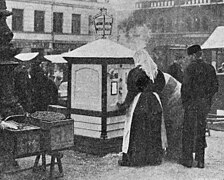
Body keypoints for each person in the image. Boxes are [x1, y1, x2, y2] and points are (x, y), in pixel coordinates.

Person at [117, 49, 166, 166]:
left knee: (138, 131)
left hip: (140, 103)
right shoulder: (157, 72)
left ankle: (137, 159)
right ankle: (153, 158)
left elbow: (132, 91)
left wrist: (124, 104)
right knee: (153, 130)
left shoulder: (135, 72)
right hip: (155, 102)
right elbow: (161, 86)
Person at [181, 44, 218, 168]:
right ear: (201, 54)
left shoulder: (189, 69)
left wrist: (185, 103)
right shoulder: (210, 68)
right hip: (203, 105)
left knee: (188, 131)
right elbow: (215, 87)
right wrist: (206, 99)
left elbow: (185, 88)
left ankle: (188, 160)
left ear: (192, 56)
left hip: (191, 105)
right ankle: (200, 161)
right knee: (201, 131)